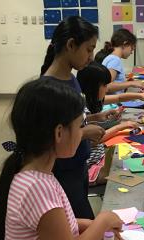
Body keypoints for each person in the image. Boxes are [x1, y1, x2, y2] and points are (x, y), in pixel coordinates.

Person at [0, 78, 124, 240]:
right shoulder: (36, 188)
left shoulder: (35, 174)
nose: (82, 133)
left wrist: (88, 225)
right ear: (59, 133)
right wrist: (103, 221)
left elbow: (53, 224)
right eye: (80, 127)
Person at [40, 16, 111, 219]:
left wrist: (96, 117)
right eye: (88, 49)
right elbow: (50, 139)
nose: (91, 56)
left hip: (79, 165)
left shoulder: (71, 78)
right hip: (63, 172)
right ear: (71, 45)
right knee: (80, 222)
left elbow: (74, 120)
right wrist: (85, 132)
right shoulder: (49, 88)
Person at [95, 29, 144, 94]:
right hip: (114, 103)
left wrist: (125, 83)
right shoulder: (115, 60)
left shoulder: (110, 58)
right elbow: (108, 87)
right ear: (124, 44)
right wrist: (130, 84)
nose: (131, 52)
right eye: (131, 49)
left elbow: (113, 82)